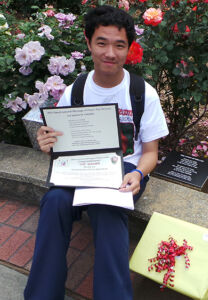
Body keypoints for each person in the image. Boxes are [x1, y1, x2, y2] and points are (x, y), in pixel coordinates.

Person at [24, 5, 168, 300]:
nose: (110, 53)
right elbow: (60, 147)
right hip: (81, 169)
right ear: (89, 43)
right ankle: (41, 295)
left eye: (119, 45)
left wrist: (139, 174)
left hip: (125, 171)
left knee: (108, 208)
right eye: (101, 43)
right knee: (53, 202)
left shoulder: (143, 93)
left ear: (129, 48)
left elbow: (151, 152)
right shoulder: (75, 90)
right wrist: (48, 143)